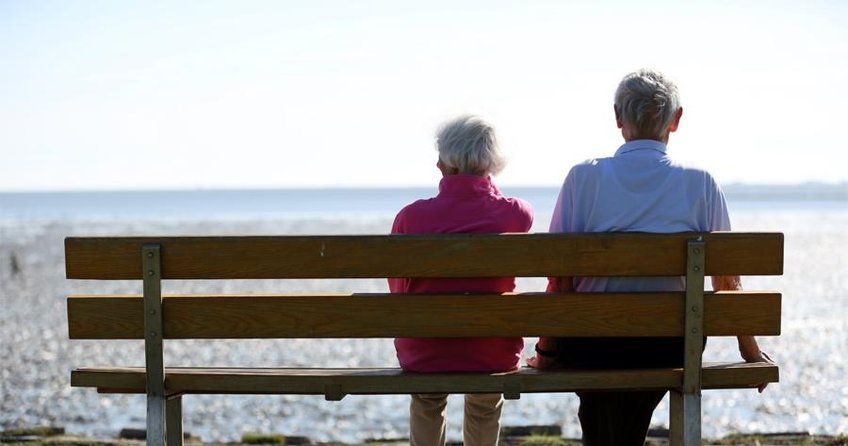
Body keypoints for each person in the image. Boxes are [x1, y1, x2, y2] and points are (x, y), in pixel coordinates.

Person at [528, 69, 775, 446]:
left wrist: (546, 352)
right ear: (676, 120)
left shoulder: (582, 178)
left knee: (605, 416)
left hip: (593, 346)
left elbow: (560, 279)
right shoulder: (700, 182)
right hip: (671, 344)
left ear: (617, 117)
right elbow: (727, 279)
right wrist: (750, 351)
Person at [389, 115, 533, 446]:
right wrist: (486, 184)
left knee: (427, 400)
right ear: (492, 163)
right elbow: (499, 206)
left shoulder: (412, 217)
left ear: (444, 164)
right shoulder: (516, 214)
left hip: (427, 351)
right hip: (490, 353)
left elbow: (398, 287)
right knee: (484, 403)